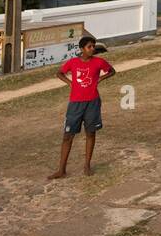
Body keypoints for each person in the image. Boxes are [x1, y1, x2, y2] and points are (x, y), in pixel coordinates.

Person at [49, 36, 115, 179]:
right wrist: (70, 83)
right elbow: (59, 73)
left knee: (91, 133)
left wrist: (100, 79)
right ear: (81, 49)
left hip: (93, 102)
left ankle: (87, 165)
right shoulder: (73, 63)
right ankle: (61, 170)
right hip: (75, 104)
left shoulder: (99, 62)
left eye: (93, 46)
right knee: (67, 136)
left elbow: (112, 71)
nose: (92, 49)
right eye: (89, 47)